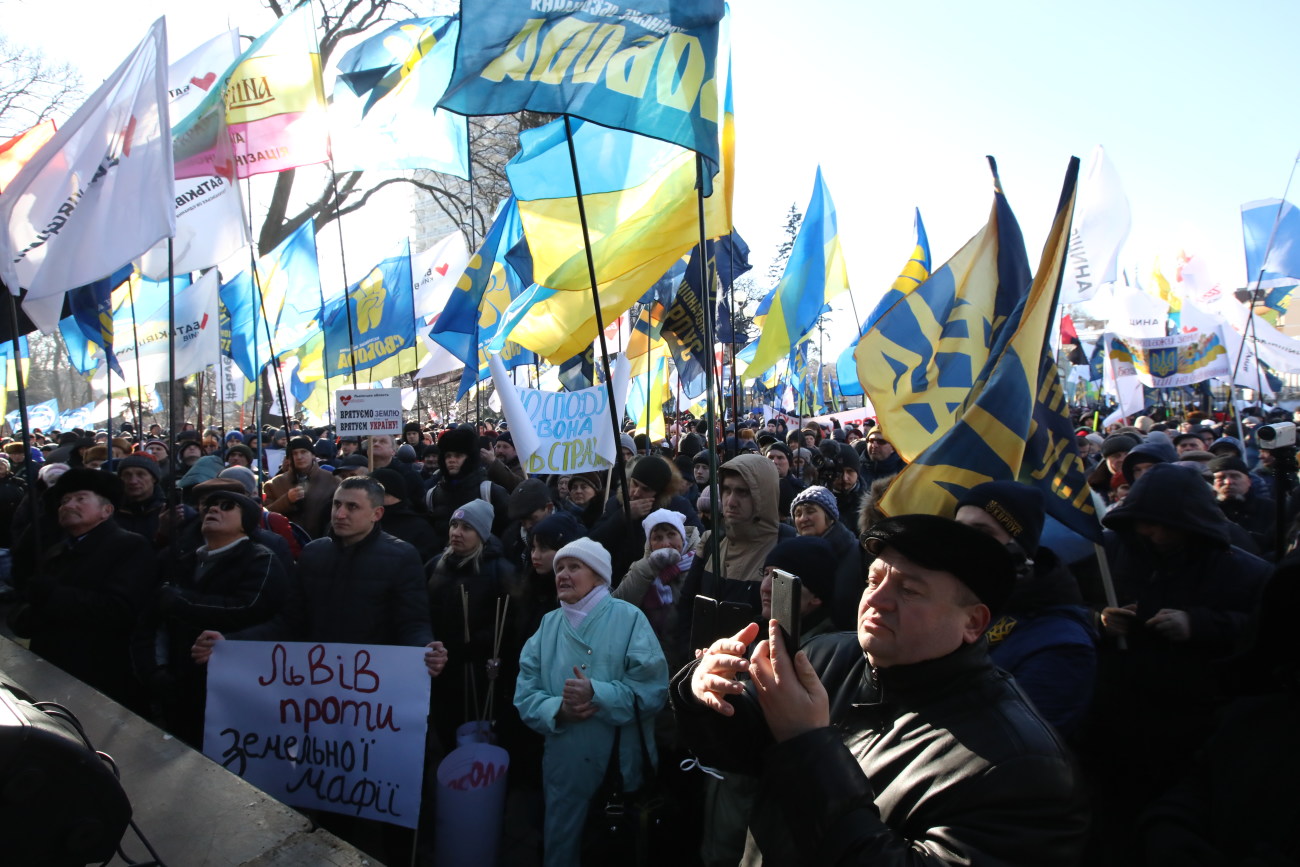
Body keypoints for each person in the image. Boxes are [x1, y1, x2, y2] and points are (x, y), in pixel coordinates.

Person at [674, 514, 1088, 866]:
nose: (878, 600)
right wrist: (705, 690)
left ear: (973, 623)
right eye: (874, 580)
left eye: (909, 590)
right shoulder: (826, 655)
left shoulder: (1021, 767)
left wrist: (807, 745)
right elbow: (739, 747)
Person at [514, 536, 669, 867]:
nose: (563, 575)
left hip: (620, 772)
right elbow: (524, 692)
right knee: (562, 847)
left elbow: (653, 692)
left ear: (598, 576)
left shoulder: (630, 620)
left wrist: (598, 694)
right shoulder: (548, 625)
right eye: (559, 569)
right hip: (564, 769)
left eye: (574, 567)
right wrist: (558, 710)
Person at [142, 489, 288, 746]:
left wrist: (180, 601)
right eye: (209, 506)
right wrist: (157, 671)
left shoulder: (260, 560)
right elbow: (153, 621)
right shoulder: (181, 561)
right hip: (179, 686)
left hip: (232, 689)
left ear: (247, 523)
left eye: (227, 506)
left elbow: (248, 608)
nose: (213, 510)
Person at [953, 481, 1098, 738]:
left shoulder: (1061, 644)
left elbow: (1022, 742)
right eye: (958, 530)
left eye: (983, 532)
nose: (965, 543)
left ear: (1018, 547)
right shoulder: (957, 602)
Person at [11, 469, 156, 712]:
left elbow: (118, 609)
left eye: (80, 499)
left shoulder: (130, 546)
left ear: (106, 510)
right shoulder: (57, 551)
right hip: (50, 670)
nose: (68, 505)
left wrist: (53, 595)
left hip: (101, 674)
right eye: (65, 501)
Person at [425, 499, 518, 748]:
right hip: (441, 668)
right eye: (454, 525)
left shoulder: (501, 570)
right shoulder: (435, 565)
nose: (456, 533)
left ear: (482, 533)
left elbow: (510, 621)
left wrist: (476, 645)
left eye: (466, 527)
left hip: (479, 672)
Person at [612, 508, 699, 663]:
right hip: (652, 657)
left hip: (690, 654)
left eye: (672, 535)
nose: (666, 543)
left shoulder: (699, 563)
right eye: (657, 538)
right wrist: (648, 568)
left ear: (682, 537)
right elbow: (619, 607)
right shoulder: (641, 568)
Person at [425, 427, 510, 553]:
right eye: (448, 456)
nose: (452, 460)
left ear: (470, 457)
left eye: (458, 455)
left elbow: (506, 533)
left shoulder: (489, 491)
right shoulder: (433, 494)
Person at [262, 435, 337, 538]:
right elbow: (266, 515)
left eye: (303, 452)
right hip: (288, 544)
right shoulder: (274, 484)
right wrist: (287, 500)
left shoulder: (332, 481)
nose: (299, 457)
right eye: (294, 453)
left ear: (313, 455)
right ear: (288, 459)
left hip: (322, 543)